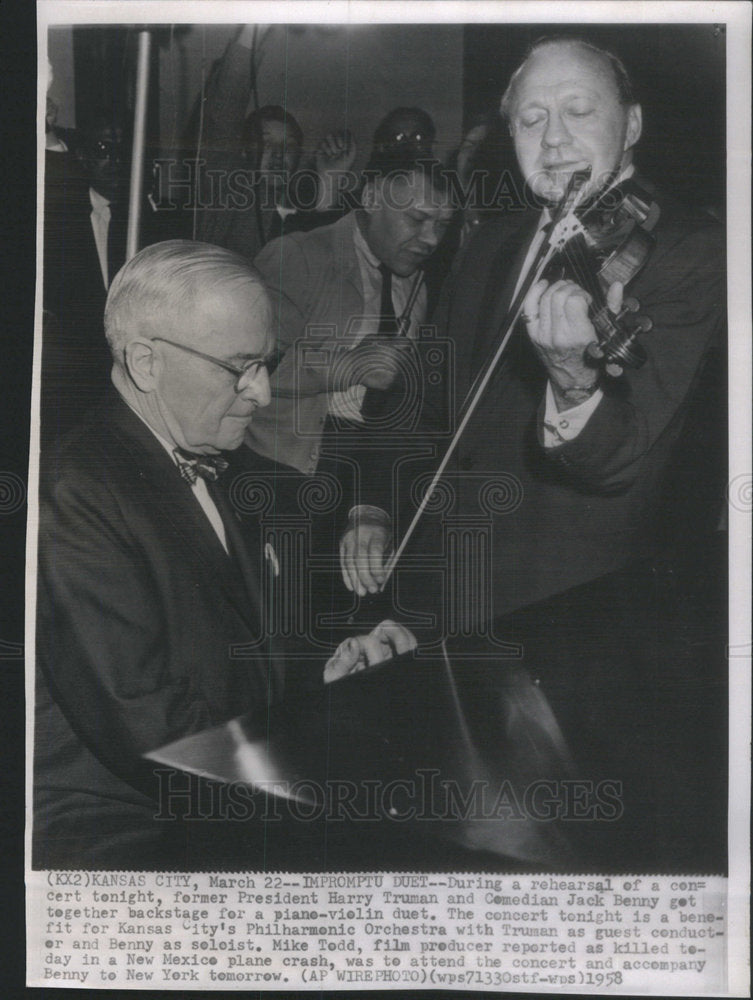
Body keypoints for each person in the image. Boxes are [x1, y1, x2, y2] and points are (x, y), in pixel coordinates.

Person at [340, 36, 727, 870]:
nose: (552, 139)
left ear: (630, 126)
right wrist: (372, 500)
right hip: (445, 602)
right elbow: (423, 398)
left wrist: (574, 381)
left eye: (577, 112)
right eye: (530, 119)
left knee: (550, 860)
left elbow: (620, 455)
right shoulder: (489, 242)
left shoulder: (692, 251)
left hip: (572, 637)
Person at [33, 240, 415, 871]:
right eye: (238, 368)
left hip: (209, 790)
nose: (263, 394)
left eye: (267, 363)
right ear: (146, 362)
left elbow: (237, 665)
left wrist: (326, 683)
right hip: (119, 823)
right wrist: (321, 745)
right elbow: (152, 728)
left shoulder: (218, 464)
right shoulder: (77, 490)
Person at [245, 152, 454, 481]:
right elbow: (246, 369)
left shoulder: (417, 282)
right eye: (416, 219)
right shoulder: (298, 256)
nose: (431, 239)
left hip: (367, 474)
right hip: (282, 472)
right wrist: (348, 366)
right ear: (371, 199)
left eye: (441, 226)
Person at [191, 24, 357, 257]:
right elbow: (225, 110)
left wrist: (330, 180)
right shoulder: (226, 192)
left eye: (289, 146)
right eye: (267, 143)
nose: (279, 154)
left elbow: (320, 266)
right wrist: (253, 25)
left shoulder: (301, 205)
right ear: (245, 151)